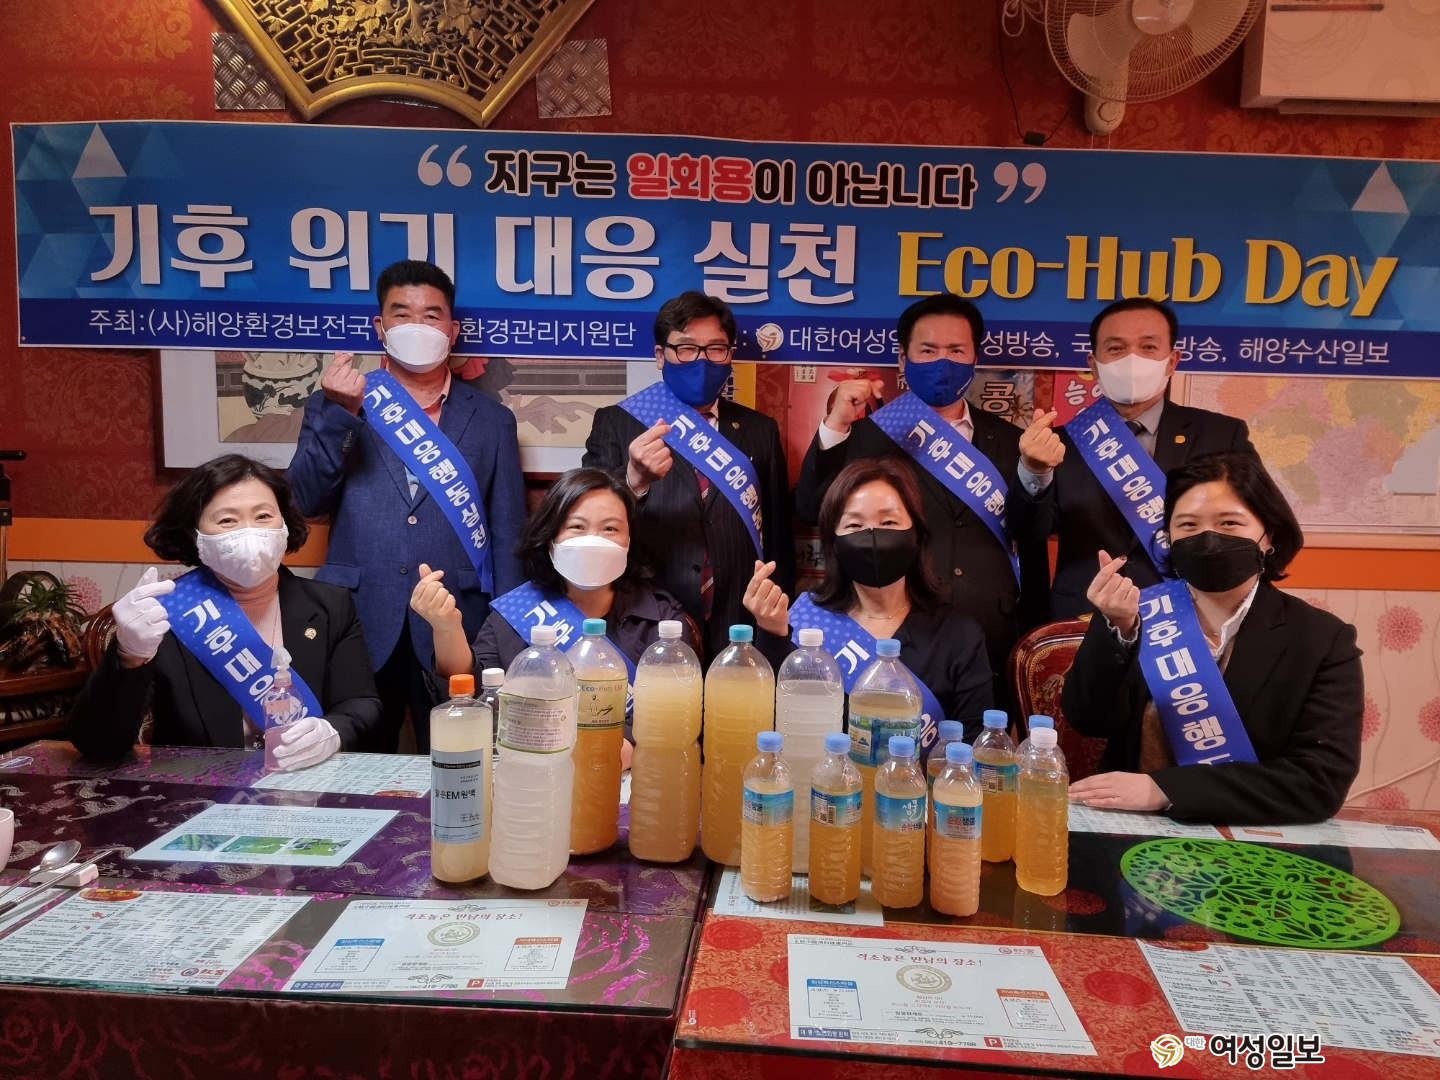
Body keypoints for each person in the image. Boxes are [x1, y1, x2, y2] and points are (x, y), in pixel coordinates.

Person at [288, 259, 526, 753]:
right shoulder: (337, 403)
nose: (417, 326)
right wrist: (341, 413)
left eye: (432, 315)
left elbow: (507, 532)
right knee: (351, 764)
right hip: (357, 613)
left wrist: (506, 630)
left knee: (462, 760)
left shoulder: (492, 420)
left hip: (456, 619)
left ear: (452, 331)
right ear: (380, 327)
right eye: (402, 314)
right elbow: (305, 502)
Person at [1062, 451, 1362, 823]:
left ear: (1269, 535)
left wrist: (1164, 789)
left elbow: (1319, 782)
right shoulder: (1137, 611)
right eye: (1188, 525)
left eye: (1229, 523)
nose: (1207, 539)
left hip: (1251, 836)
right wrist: (1118, 628)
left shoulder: (1321, 640)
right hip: (1129, 826)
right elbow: (1088, 720)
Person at [794, 293, 1045, 703]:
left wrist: (1036, 472)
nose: (942, 361)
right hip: (896, 626)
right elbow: (810, 508)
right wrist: (836, 426)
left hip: (992, 624)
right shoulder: (868, 433)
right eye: (928, 350)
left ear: (974, 357)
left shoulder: (1013, 441)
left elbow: (1030, 535)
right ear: (902, 359)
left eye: (956, 350)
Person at [68, 455, 381, 763]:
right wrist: (130, 655)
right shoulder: (166, 614)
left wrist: (332, 731)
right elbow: (99, 745)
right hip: (201, 789)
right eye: (228, 520)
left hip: (304, 780)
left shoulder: (330, 605)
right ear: (194, 533)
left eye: (263, 516)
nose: (250, 532)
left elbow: (360, 701)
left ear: (284, 524)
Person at [1011, 296, 1257, 619]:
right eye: (1116, 348)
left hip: (1194, 614)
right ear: (1093, 365)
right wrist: (1034, 470)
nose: (1132, 359)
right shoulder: (1056, 442)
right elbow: (1027, 534)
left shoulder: (1220, 435)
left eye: (1148, 347)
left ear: (1172, 361)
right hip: (1084, 616)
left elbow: (1262, 524)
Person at [408, 468, 698, 742]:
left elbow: (674, 715)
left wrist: (623, 745)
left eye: (610, 528)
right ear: (550, 538)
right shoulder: (516, 611)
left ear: (629, 541)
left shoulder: (663, 620)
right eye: (577, 527)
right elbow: (471, 700)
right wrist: (446, 629)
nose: (593, 541)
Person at [583, 290, 793, 663]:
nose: (702, 360)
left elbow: (777, 532)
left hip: (741, 615)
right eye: (686, 348)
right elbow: (588, 523)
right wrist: (634, 482)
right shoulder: (616, 422)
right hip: (647, 615)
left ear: (730, 354)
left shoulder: (760, 429)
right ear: (660, 355)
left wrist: (777, 615)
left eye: (716, 349)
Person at [745, 458, 993, 746]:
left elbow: (976, 743)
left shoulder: (959, 634)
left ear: (916, 533)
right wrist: (771, 633)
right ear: (833, 543)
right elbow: (775, 726)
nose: (872, 536)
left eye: (888, 522)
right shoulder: (806, 623)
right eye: (854, 525)